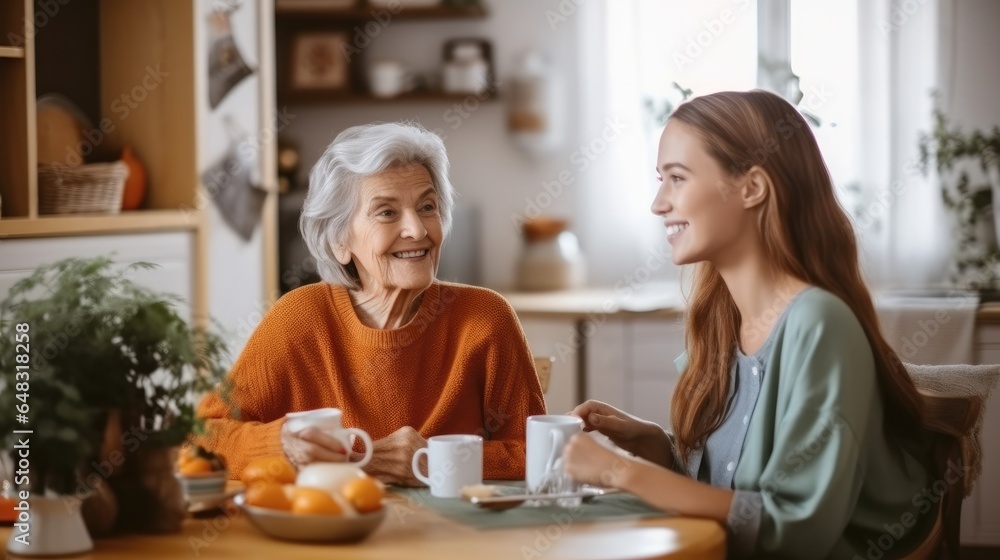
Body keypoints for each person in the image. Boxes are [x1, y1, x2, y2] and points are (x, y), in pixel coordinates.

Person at [563, 90, 936, 558]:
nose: (658, 203)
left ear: (752, 188)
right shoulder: (724, 323)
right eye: (660, 180)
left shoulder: (821, 325)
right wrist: (655, 445)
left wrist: (621, 472)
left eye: (677, 178)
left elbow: (795, 532)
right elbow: (730, 493)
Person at [197, 122, 546, 484]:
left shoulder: (486, 318)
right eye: (387, 212)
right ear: (339, 241)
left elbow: (537, 454)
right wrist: (279, 446)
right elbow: (201, 438)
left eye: (427, 206)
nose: (418, 229)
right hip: (335, 531)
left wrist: (432, 461)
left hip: (454, 536)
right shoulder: (300, 318)